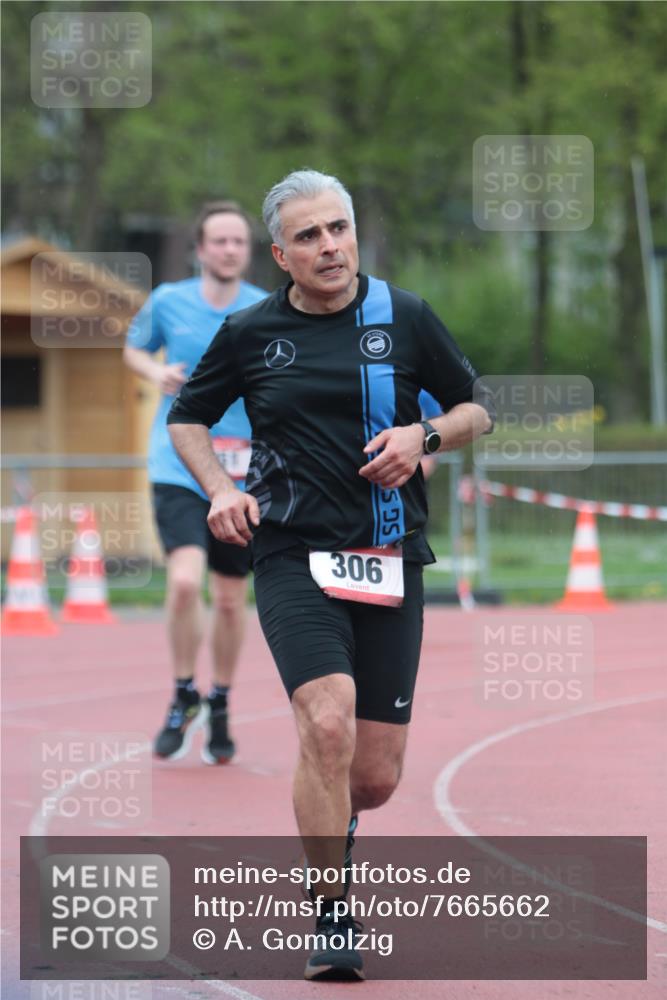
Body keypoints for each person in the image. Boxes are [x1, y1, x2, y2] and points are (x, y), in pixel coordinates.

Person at [167, 170, 493, 979]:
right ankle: (332, 916)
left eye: (337, 229)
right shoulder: (249, 332)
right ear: (279, 254)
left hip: (389, 558)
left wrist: (426, 437)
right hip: (289, 553)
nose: (328, 246)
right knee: (325, 722)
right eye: (308, 236)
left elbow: (474, 406)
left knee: (373, 778)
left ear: (354, 234)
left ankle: (336, 826)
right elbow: (187, 418)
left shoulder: (404, 315)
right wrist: (220, 490)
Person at [123, 202, 267, 764]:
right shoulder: (168, 301)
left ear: (247, 251)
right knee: (185, 583)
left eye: (239, 241)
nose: (230, 249)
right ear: (201, 249)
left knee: (231, 601)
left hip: (242, 472)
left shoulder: (265, 308)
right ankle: (184, 692)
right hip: (178, 463)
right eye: (220, 241)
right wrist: (154, 370)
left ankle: (222, 700)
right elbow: (133, 347)